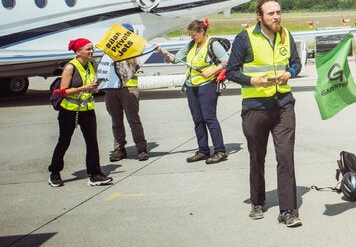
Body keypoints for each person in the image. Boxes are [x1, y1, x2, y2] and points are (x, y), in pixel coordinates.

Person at [225, 0, 303, 228]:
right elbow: (231, 71)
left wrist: (290, 73)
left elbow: (296, 63)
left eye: (278, 12)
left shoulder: (286, 35)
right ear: (259, 16)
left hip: (283, 105)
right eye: (271, 13)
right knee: (257, 157)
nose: (276, 16)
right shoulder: (245, 38)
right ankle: (257, 202)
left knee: (285, 157)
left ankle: (288, 210)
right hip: (255, 108)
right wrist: (252, 81)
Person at [160, 20, 229, 164]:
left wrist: (211, 71)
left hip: (207, 85)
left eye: (194, 35)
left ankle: (220, 151)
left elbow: (226, 61)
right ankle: (203, 150)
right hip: (192, 85)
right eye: (190, 35)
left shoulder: (212, 44)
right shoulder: (192, 44)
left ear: (202, 31)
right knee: (197, 119)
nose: (192, 37)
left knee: (209, 118)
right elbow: (175, 59)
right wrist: (163, 53)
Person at [48, 38, 112, 187]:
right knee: (64, 141)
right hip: (69, 110)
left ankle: (95, 174)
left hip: (87, 109)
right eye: (88, 49)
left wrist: (95, 89)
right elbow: (63, 92)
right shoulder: (70, 67)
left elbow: (91, 86)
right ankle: (54, 172)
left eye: (92, 49)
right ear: (78, 52)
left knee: (92, 142)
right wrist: (84, 88)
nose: (91, 51)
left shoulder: (91, 64)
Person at [98, 24, 150, 162]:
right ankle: (119, 148)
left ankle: (141, 148)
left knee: (133, 120)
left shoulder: (136, 50)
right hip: (111, 89)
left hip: (129, 89)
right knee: (116, 121)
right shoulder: (109, 51)